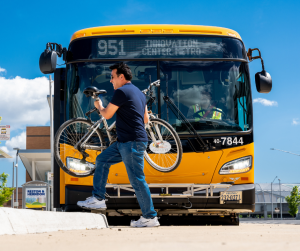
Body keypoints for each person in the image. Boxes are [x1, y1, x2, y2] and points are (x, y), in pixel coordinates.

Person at [77, 62, 159, 228]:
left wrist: (99, 105)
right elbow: (146, 120)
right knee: (102, 160)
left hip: (131, 143)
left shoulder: (121, 91)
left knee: (137, 179)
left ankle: (150, 217)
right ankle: (98, 199)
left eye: (112, 77)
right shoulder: (139, 93)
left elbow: (107, 115)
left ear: (122, 77)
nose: (111, 81)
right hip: (125, 142)